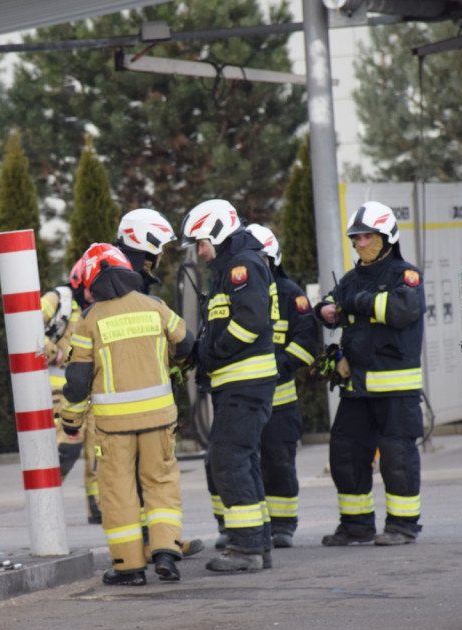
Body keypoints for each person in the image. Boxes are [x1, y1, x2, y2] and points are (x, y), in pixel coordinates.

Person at [61, 243, 194, 585]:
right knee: (161, 483)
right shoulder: (156, 307)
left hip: (113, 427)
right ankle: (166, 552)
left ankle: (128, 567)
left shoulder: (89, 320)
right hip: (160, 420)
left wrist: (71, 422)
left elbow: (77, 382)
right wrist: (171, 363)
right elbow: (188, 344)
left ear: (92, 281)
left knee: (118, 491)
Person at [314, 200, 425, 547]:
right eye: (356, 238)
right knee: (344, 454)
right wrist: (326, 310)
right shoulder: (350, 280)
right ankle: (356, 525)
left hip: (395, 388)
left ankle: (403, 525)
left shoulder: (405, 275)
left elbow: (401, 310)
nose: (360, 243)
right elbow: (329, 305)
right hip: (356, 388)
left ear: (387, 237)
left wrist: (356, 304)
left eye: (367, 237)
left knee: (397, 459)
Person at [180, 199, 278, 573]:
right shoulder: (231, 268)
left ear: (219, 234)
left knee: (228, 460)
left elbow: (249, 323)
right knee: (242, 460)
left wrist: (212, 353)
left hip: (244, 384)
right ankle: (259, 544)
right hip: (238, 385)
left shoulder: (242, 267)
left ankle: (246, 548)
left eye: (202, 242)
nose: (201, 252)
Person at [114, 208, 205, 561]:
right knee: (154, 479)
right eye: (160, 247)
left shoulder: (114, 276)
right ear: (145, 243)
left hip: (115, 405)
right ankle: (158, 542)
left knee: (133, 479)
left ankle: (152, 542)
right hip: (143, 403)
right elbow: (181, 341)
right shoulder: (135, 287)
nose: (161, 255)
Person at [244, 223, 318, 549]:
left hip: (281, 400)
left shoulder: (290, 294)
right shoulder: (238, 291)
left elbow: (306, 342)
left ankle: (283, 526)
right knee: (245, 464)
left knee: (278, 462)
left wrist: (279, 368)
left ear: (272, 259)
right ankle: (252, 526)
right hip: (244, 398)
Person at [41, 279, 101, 524]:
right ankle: (45, 504)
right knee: (66, 449)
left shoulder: (98, 306)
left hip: (92, 389)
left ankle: (99, 508)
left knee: (98, 451)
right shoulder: (59, 299)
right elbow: (26, 324)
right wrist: (53, 353)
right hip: (59, 387)